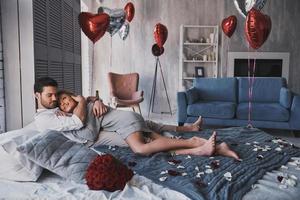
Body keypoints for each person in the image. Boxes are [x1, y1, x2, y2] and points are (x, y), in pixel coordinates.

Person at [34, 77, 239, 159]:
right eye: (53, 98)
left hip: (124, 123)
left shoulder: (84, 108)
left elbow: (87, 131)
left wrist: (86, 101)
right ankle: (207, 148)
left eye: (61, 98)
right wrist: (88, 101)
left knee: (141, 147)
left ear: (71, 96)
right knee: (154, 138)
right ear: (38, 96)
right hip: (119, 127)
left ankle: (193, 140)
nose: (59, 102)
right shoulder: (50, 116)